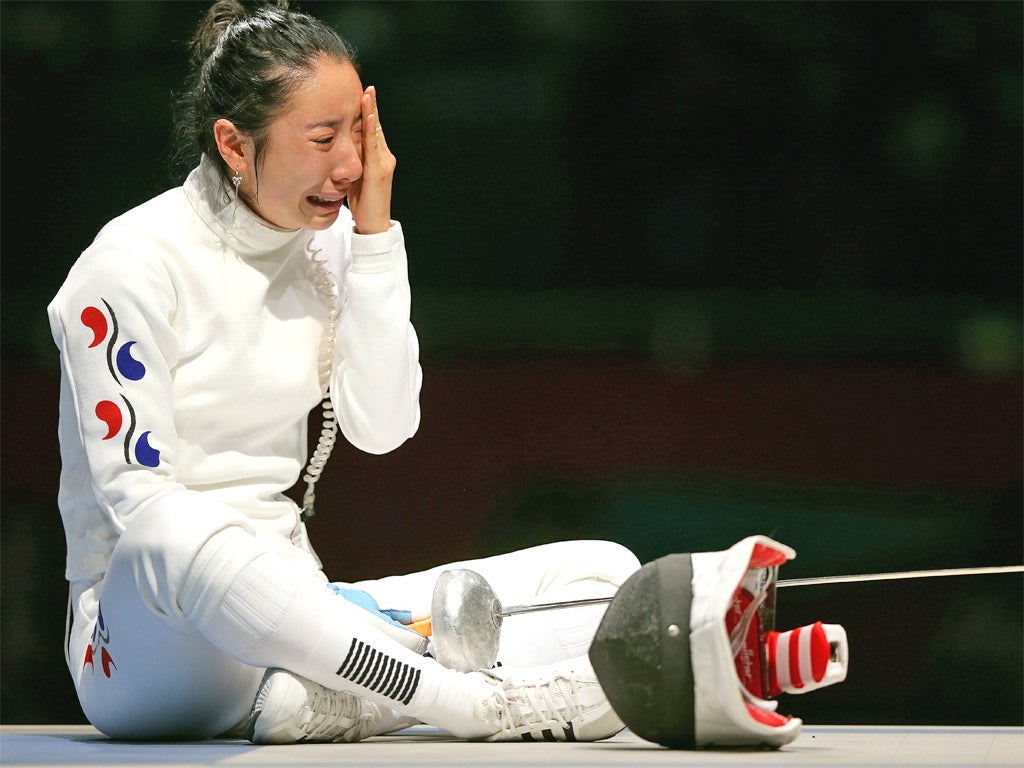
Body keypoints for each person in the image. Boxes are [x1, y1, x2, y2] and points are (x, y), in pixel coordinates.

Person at [47, 0, 641, 744]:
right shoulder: (127, 266)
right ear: (235, 144)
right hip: (147, 652)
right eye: (324, 138)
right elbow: (140, 508)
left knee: (600, 576)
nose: (352, 165)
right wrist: (327, 623)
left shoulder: (326, 244)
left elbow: (384, 427)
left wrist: (374, 237)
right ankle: (474, 706)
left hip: (301, 616)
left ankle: (324, 703)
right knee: (176, 526)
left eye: (357, 135)